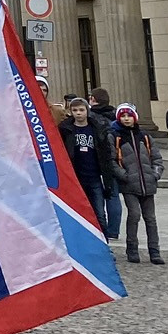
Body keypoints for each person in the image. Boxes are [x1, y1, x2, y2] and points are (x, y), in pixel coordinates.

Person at [110, 103, 165, 266]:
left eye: (129, 115)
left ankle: (154, 251)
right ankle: (132, 249)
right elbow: (112, 160)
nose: (126, 119)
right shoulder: (116, 137)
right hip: (129, 184)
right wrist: (123, 175)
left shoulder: (145, 136)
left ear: (134, 117)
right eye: (123, 116)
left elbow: (156, 158)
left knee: (151, 218)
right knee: (134, 215)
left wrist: (155, 174)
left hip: (148, 183)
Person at [59, 95, 110, 232]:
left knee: (100, 213)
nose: (78, 113)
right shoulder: (66, 129)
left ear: (87, 111)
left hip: (94, 177)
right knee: (79, 213)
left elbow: (105, 153)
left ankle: (103, 243)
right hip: (76, 177)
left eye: (81, 110)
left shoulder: (97, 128)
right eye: (75, 110)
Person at [87, 89, 123, 239]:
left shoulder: (91, 117)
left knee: (97, 196)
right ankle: (114, 230)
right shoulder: (115, 115)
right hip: (113, 160)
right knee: (113, 195)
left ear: (93, 99)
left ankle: (100, 227)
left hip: (95, 160)